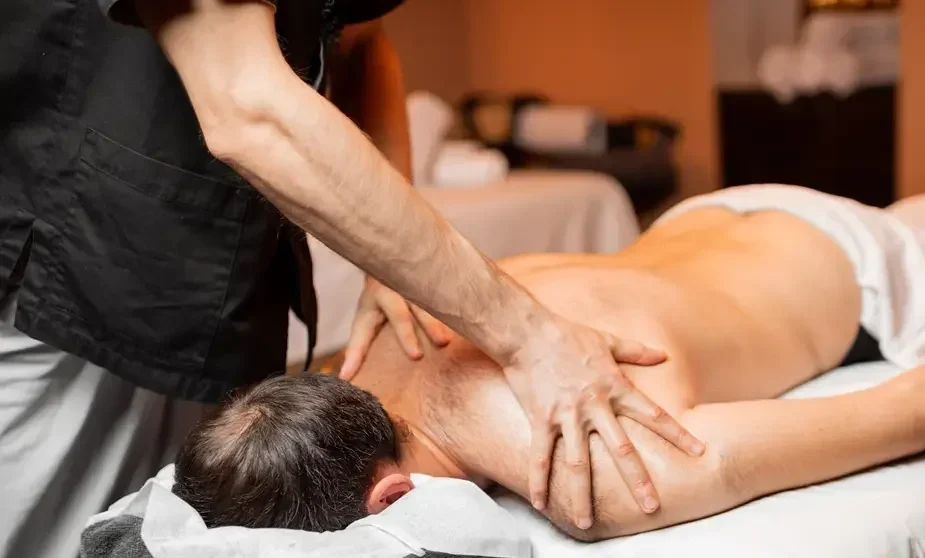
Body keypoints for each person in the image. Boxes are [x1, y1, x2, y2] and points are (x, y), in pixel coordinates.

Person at [0, 1, 701, 556]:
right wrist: (527, 336)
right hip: (64, 266)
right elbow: (247, 105)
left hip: (223, 285)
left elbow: (361, 42)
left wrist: (388, 263)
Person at [170, 185, 925, 540]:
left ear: (391, 498)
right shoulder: (363, 353)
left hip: (862, 269)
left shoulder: (584, 470)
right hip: (713, 218)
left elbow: (902, 411)